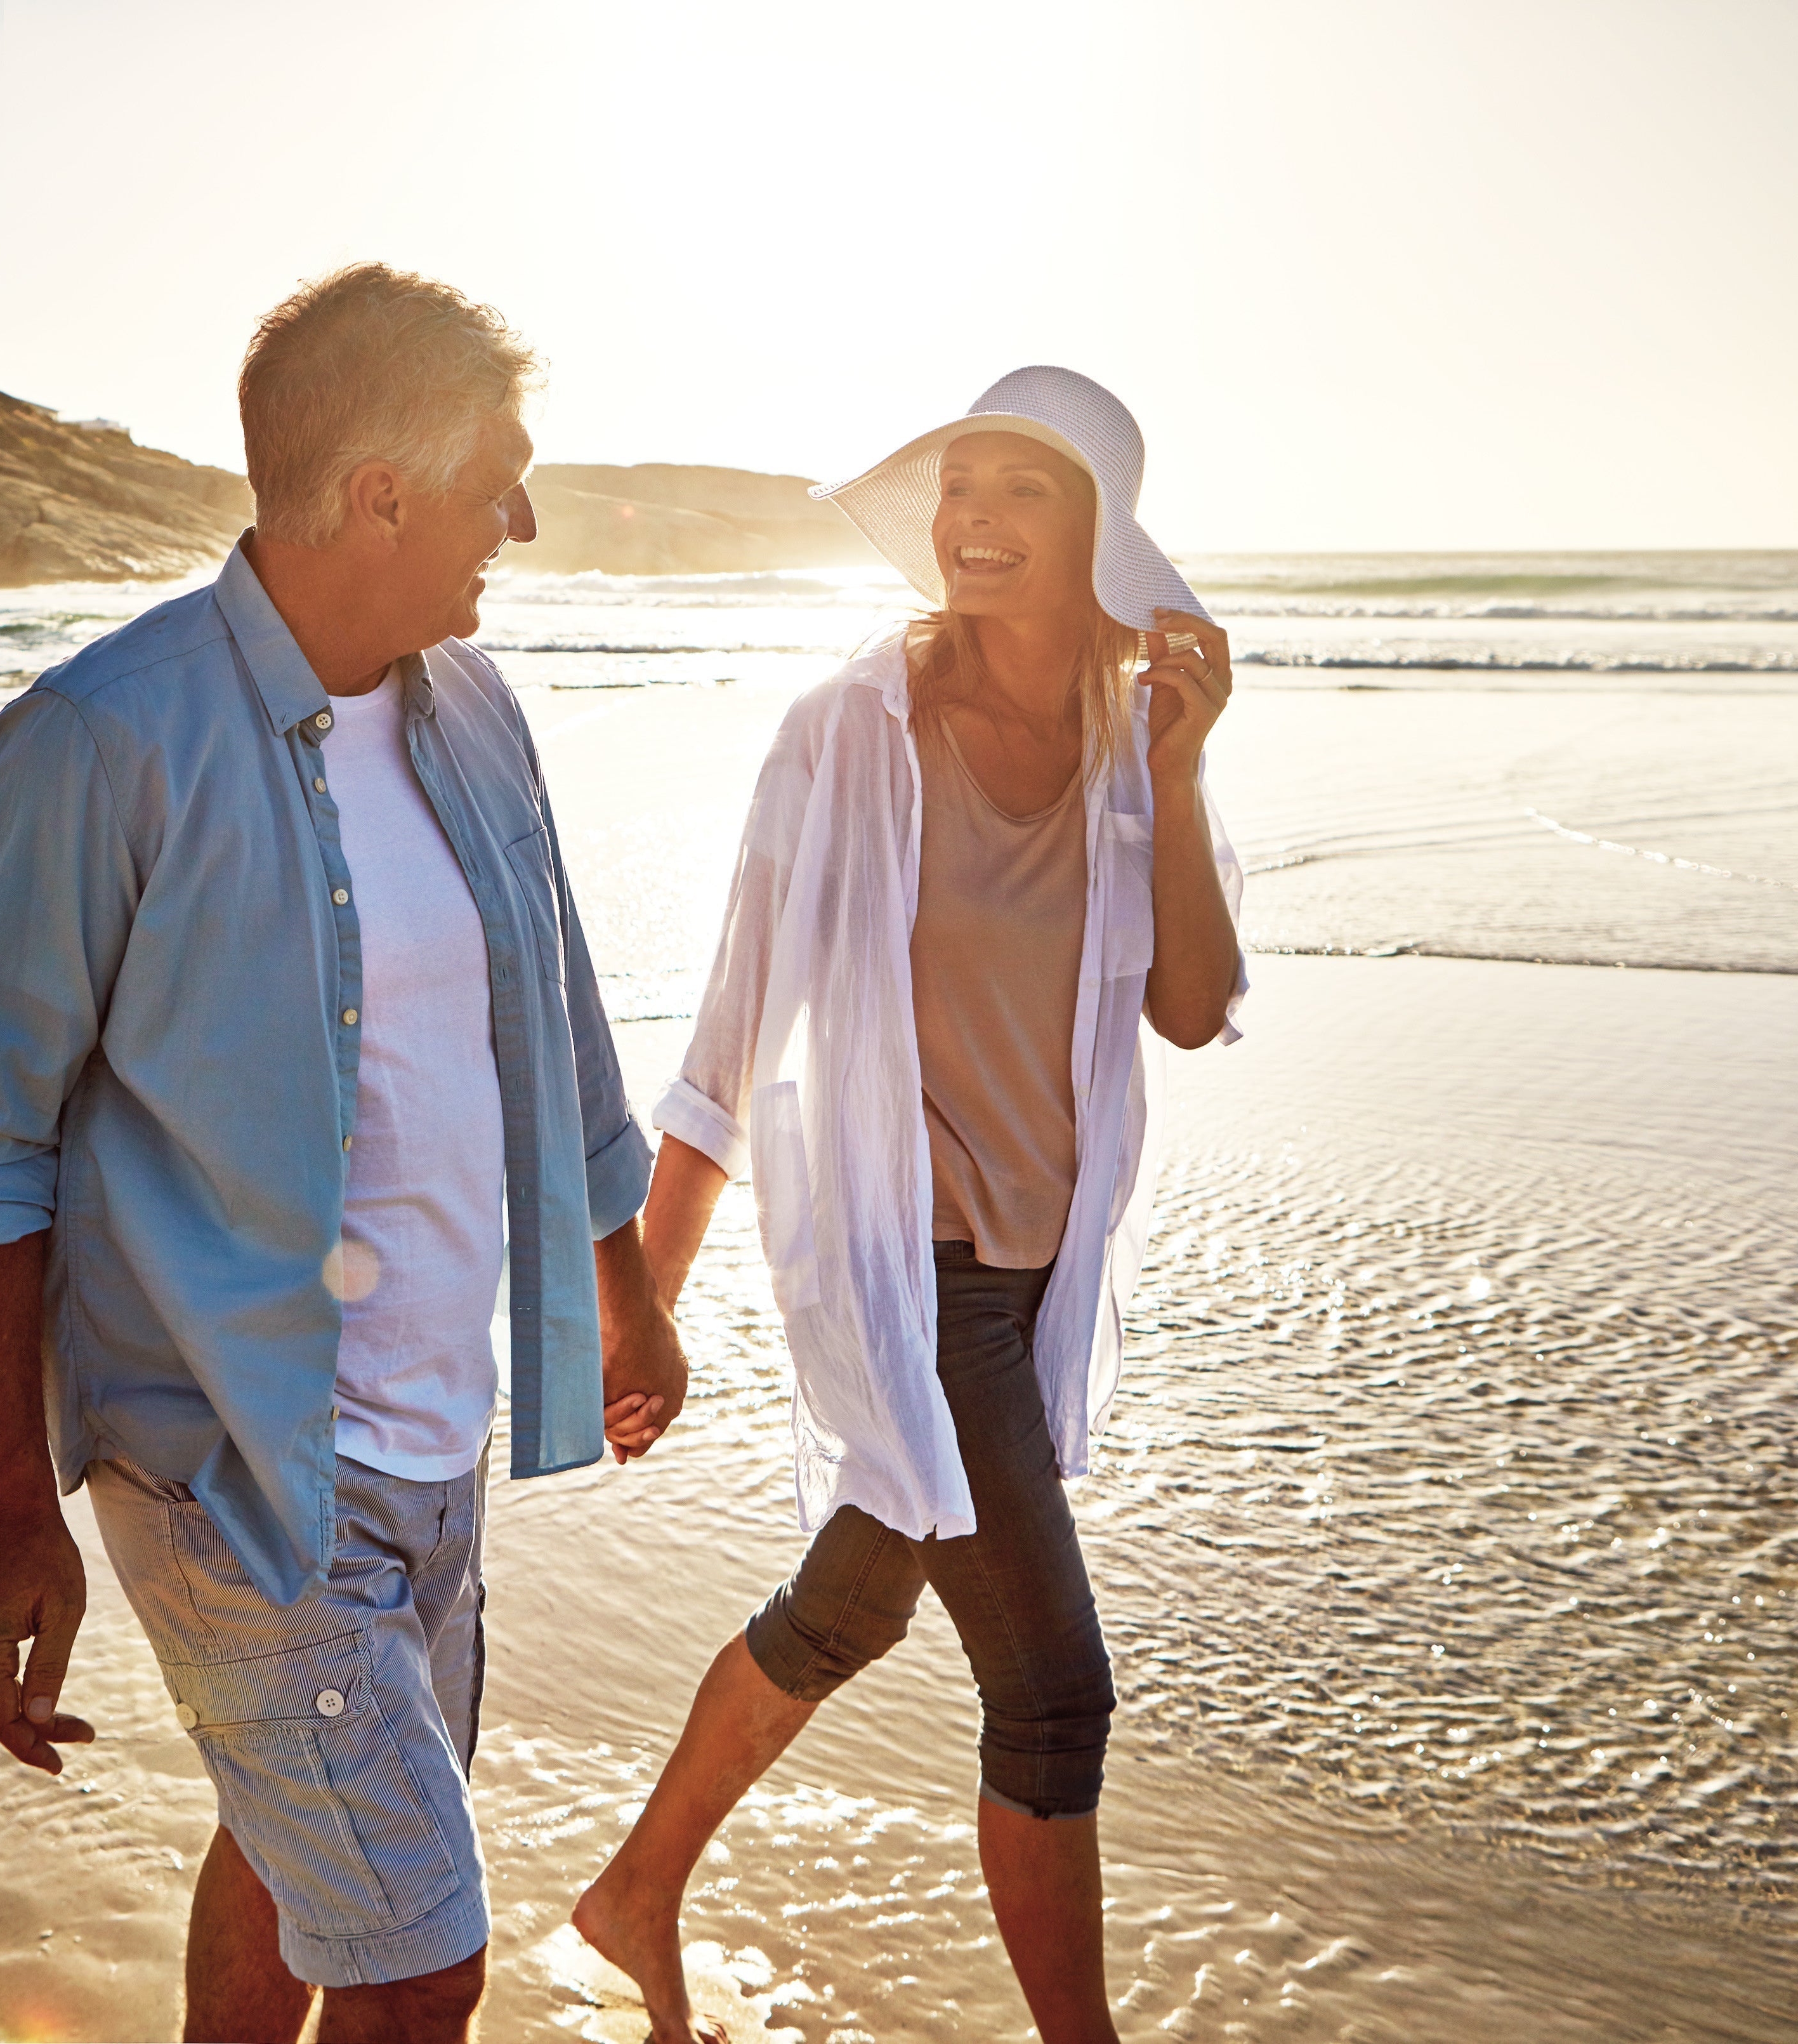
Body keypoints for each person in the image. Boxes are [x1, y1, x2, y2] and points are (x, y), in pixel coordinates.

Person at [0, 263, 688, 2044]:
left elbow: (556, 1029)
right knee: (422, 1959)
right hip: (226, 1465)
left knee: (297, 1858)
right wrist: (17, 1512)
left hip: (433, 1442)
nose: (527, 518)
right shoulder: (95, 746)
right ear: (381, 493)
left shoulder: (478, 715)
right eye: (499, 476)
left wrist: (625, 1292)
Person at [570, 366, 1247, 2043]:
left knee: (850, 1605)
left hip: (1028, 1289)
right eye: (961, 483)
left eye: (1024, 489)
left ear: (1098, 534)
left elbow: (1190, 1001)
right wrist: (640, 1306)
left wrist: (1184, 771)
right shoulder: (846, 738)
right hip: (917, 1284)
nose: (974, 519)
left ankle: (634, 1893)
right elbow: (725, 1046)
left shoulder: (1125, 742)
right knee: (1054, 1698)